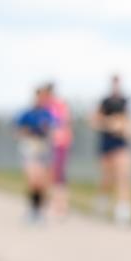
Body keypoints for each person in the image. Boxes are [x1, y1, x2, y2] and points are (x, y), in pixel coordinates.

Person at [92, 75, 131, 225]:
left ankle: (123, 211)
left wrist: (125, 128)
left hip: (121, 142)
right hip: (107, 142)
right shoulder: (105, 101)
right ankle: (102, 203)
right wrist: (109, 123)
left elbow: (129, 122)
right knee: (107, 178)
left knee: (124, 176)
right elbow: (94, 121)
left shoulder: (125, 101)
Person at [15, 87, 57, 223]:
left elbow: (55, 130)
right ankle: (33, 209)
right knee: (33, 179)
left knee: (42, 182)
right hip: (31, 147)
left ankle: (39, 211)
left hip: (43, 148)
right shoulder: (27, 114)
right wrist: (27, 132)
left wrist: (47, 131)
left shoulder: (48, 114)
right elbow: (18, 130)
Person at [43, 82, 73, 219]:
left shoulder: (58, 105)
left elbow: (63, 123)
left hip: (59, 143)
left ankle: (61, 206)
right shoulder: (47, 106)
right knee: (52, 175)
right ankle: (55, 204)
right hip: (51, 144)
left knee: (58, 176)